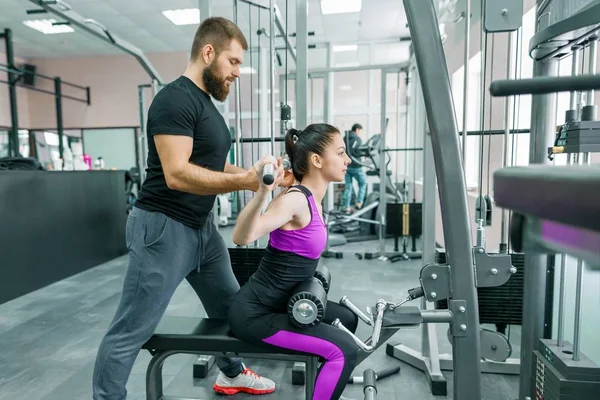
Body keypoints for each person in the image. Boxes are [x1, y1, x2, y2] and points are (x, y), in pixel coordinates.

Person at [92, 17, 290, 399]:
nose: (237, 72)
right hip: (162, 229)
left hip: (201, 230)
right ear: (208, 52)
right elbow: (177, 175)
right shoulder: (174, 100)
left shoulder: (204, 104)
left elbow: (212, 166)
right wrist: (244, 182)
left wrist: (258, 175)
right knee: (133, 327)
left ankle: (231, 372)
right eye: (233, 62)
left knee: (234, 308)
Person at [228, 123, 360, 400]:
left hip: (280, 303)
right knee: (343, 350)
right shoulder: (296, 200)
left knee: (347, 320)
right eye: (341, 152)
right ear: (316, 160)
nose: (348, 160)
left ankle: (326, 387)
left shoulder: (314, 198)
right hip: (256, 315)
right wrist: (263, 192)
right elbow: (242, 236)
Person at [343, 123, 367, 214]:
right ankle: (359, 203)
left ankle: (346, 207)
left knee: (348, 187)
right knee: (363, 183)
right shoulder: (358, 139)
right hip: (356, 166)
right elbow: (358, 152)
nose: (360, 133)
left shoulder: (344, 138)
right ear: (357, 130)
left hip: (347, 167)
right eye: (360, 131)